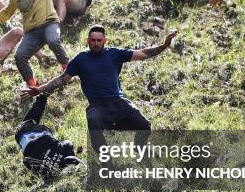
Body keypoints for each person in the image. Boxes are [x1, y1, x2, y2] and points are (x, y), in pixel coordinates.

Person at [22, 26, 178, 153]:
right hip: (97, 105)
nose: (96, 43)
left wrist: (164, 46)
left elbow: (143, 53)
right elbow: (63, 79)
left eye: (99, 40)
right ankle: (106, 164)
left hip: (118, 102)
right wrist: (39, 89)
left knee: (144, 125)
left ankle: (139, 149)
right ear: (87, 41)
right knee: (94, 123)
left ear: (104, 41)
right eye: (92, 40)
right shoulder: (80, 59)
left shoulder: (115, 54)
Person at [15, 95, 81, 178]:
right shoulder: (50, 172)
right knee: (29, 124)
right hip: (26, 146)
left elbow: (68, 144)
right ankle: (41, 98)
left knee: (30, 121)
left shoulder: (63, 149)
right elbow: (27, 163)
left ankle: (41, 98)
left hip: (31, 133)